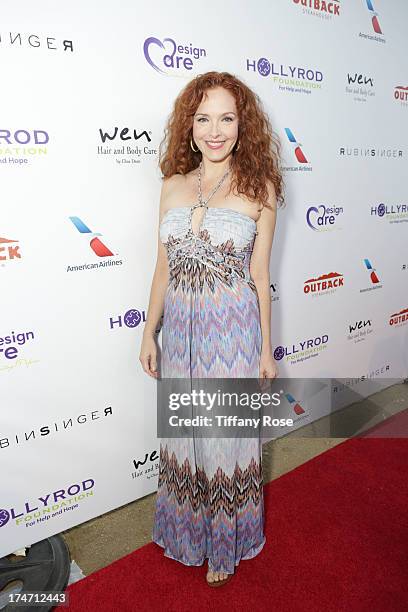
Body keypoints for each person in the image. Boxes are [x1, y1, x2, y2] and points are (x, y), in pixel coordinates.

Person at [139, 71, 284, 586]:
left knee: (225, 441)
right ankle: (185, 534)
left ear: (243, 126)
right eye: (204, 118)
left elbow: (260, 276)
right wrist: (147, 331)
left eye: (227, 118)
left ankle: (226, 545)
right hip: (180, 334)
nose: (215, 130)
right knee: (186, 436)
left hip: (232, 334)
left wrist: (267, 351)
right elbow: (162, 266)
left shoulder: (258, 188)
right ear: (190, 125)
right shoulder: (173, 185)